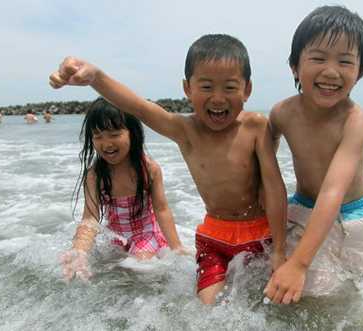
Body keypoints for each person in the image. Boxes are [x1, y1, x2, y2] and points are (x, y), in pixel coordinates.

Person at [49, 34, 287, 304]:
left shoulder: (255, 127)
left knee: (272, 304)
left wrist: (280, 250)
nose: (218, 98)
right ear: (187, 88)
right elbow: (139, 106)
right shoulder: (185, 131)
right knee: (208, 310)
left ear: (247, 89)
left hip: (259, 232)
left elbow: (275, 188)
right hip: (214, 237)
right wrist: (95, 77)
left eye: (230, 87)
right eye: (206, 86)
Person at [264, 5, 363, 304]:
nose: (331, 72)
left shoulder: (355, 121)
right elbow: (264, 168)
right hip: (304, 208)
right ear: (294, 65)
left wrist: (300, 264)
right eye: (318, 58)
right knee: (292, 294)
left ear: (360, 72)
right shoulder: (282, 113)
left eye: (345, 61)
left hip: (354, 216)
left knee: (357, 298)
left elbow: (333, 190)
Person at [59, 97, 187, 282]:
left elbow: (162, 209)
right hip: (116, 237)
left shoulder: (149, 169)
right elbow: (90, 218)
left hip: (145, 234)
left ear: (132, 133)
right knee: (103, 274)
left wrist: (176, 248)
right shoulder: (95, 175)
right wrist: (79, 249)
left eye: (114, 134)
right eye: (98, 136)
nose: (106, 143)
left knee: (141, 270)